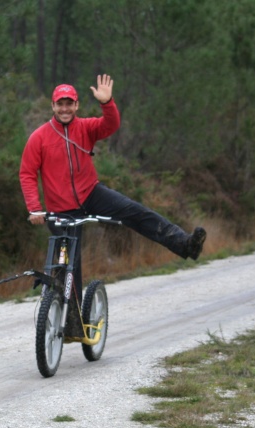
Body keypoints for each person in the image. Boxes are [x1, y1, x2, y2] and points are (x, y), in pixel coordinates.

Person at [19, 74, 206, 295]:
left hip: (91, 193)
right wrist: (35, 208)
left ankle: (185, 244)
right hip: (61, 209)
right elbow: (27, 173)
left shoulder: (86, 127)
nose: (65, 109)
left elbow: (111, 124)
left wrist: (107, 103)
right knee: (68, 266)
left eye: (69, 104)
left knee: (136, 212)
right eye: (60, 104)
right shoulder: (39, 138)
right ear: (53, 106)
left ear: (76, 105)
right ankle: (72, 323)